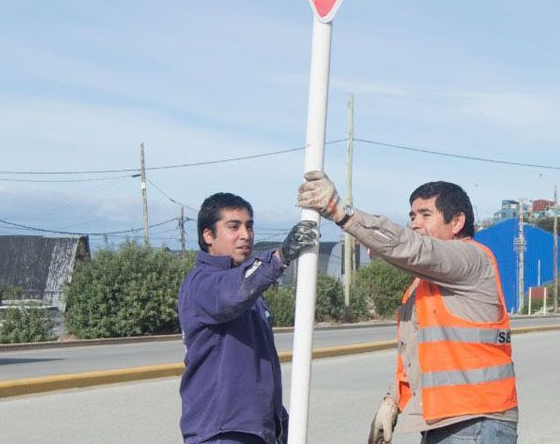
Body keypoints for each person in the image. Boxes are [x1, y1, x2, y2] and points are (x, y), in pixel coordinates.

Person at [297, 172, 518, 444]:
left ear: (457, 221)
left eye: (426, 215)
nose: (415, 224)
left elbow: (415, 249)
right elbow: (421, 352)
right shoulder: (423, 284)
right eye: (412, 216)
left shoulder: (471, 258)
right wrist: (393, 400)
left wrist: (341, 212)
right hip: (448, 420)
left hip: (477, 421)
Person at [178, 192, 318, 444]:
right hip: (221, 432)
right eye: (234, 226)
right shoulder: (203, 283)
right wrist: (280, 256)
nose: (245, 234)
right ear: (208, 236)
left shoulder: (250, 290)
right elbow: (232, 292)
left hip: (254, 431)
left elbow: (257, 370)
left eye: (249, 226)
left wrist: (282, 426)